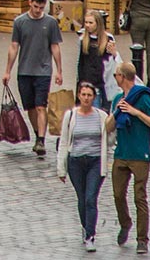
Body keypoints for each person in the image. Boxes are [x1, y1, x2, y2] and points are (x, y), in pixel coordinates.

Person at [107, 60, 150, 256]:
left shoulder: (143, 97)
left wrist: (136, 112)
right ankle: (125, 223)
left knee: (140, 196)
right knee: (117, 194)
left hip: (140, 154)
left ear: (123, 77)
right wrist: (116, 112)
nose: (115, 78)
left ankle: (142, 239)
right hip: (121, 153)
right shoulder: (117, 99)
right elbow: (108, 127)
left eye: (116, 75)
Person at [6, 0, 65, 156]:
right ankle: (37, 132)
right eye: (36, 7)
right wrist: (7, 71)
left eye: (41, 7)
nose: (38, 11)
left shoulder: (51, 23)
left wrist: (59, 70)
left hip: (43, 71)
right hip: (24, 70)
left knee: (41, 106)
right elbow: (14, 46)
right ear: (30, 4)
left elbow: (55, 47)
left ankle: (41, 139)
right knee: (30, 107)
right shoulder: (19, 22)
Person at [57, 78, 110, 251]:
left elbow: (109, 139)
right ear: (79, 96)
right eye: (83, 94)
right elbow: (64, 141)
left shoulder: (101, 116)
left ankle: (90, 235)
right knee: (81, 198)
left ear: (94, 97)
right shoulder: (70, 116)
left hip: (95, 161)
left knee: (90, 198)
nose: (86, 98)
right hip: (76, 162)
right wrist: (61, 168)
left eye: (89, 95)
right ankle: (85, 226)